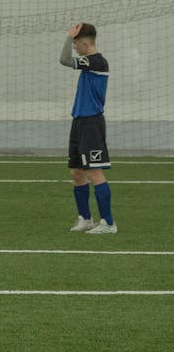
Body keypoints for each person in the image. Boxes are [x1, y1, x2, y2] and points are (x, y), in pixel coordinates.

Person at [60, 22, 116, 234]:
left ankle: (108, 223)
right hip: (79, 122)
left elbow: (64, 60)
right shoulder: (89, 63)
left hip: (92, 123)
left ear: (84, 42)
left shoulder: (98, 62)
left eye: (75, 43)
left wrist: (67, 36)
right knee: (76, 172)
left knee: (94, 172)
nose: (74, 46)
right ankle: (85, 218)